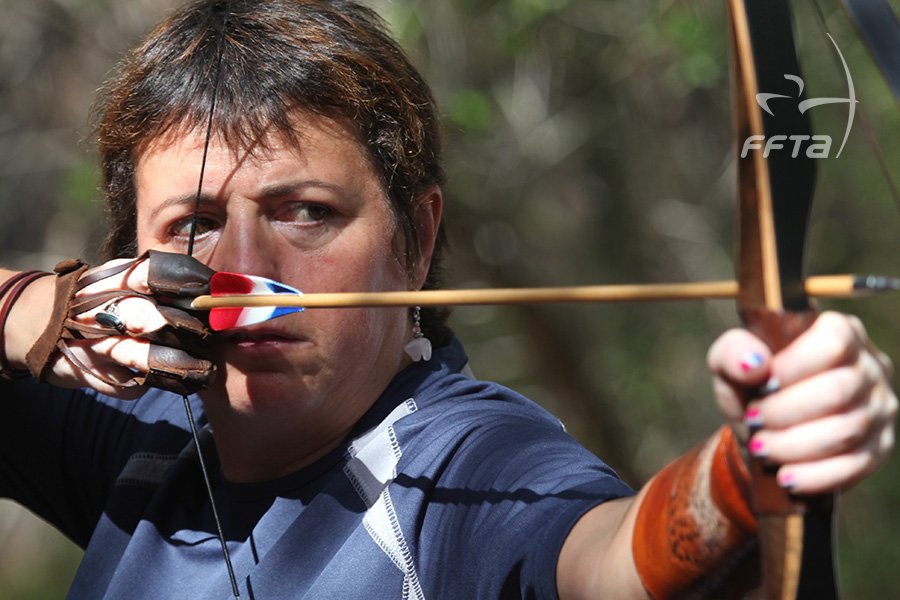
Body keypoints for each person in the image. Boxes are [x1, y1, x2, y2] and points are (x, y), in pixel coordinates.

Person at [0, 0, 895, 598]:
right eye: (191, 225)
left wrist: (748, 473)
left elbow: (609, 558)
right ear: (123, 261)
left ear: (416, 241)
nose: (239, 265)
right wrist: (27, 312)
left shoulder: (465, 466)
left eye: (306, 213)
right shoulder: (143, 430)